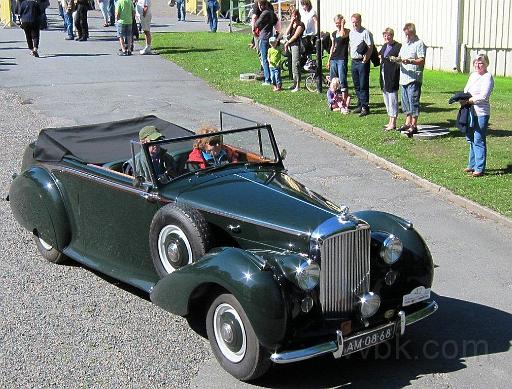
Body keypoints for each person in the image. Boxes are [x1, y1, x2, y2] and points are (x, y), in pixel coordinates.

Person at [460, 54, 494, 177]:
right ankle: (471, 165)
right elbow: (466, 90)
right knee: (470, 138)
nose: (477, 65)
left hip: (481, 112)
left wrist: (469, 100)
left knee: (478, 138)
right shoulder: (473, 75)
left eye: (481, 63)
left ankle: (479, 168)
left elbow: (484, 96)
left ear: (486, 64)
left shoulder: (487, 77)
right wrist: (462, 98)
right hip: (469, 110)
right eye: (476, 62)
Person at [398, 23, 426, 137]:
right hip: (403, 77)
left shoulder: (419, 44)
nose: (407, 37)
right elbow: (400, 57)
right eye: (406, 35)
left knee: (413, 101)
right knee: (405, 103)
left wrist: (410, 61)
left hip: (413, 77)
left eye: (409, 35)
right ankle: (407, 122)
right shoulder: (405, 44)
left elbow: (421, 60)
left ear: (413, 33)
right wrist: (397, 59)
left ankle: (413, 125)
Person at [379, 27, 401, 130]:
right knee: (386, 96)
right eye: (385, 36)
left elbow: (400, 60)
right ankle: (390, 120)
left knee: (392, 98)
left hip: (392, 75)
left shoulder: (398, 46)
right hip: (384, 74)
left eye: (389, 35)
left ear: (392, 36)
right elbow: (381, 55)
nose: (387, 37)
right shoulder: (384, 46)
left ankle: (393, 121)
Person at [255, 0, 278, 86]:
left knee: (264, 59)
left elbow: (257, 24)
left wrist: (259, 24)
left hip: (263, 37)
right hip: (270, 36)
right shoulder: (271, 12)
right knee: (270, 59)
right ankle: (273, 78)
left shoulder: (264, 13)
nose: (260, 7)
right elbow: (275, 21)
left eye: (260, 5)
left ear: (264, 5)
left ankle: (267, 79)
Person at [284, 9, 304, 92]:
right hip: (291, 46)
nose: (294, 17)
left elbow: (295, 36)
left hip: (296, 45)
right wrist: (291, 22)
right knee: (292, 65)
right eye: (292, 15)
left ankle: (298, 85)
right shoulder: (293, 24)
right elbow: (286, 33)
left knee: (296, 65)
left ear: (298, 15)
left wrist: (287, 43)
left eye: (295, 15)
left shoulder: (300, 25)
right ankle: (294, 83)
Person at [327, 14, 350, 88]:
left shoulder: (347, 31)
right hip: (334, 58)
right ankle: (335, 95)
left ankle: (344, 95)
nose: (338, 24)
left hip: (342, 58)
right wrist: (329, 60)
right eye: (336, 23)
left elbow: (342, 35)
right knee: (333, 79)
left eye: (339, 22)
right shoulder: (334, 33)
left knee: (342, 79)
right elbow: (332, 47)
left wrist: (342, 26)